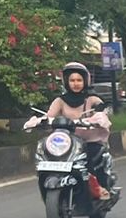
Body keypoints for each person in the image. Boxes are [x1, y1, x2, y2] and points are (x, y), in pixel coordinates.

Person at [27, 61, 114, 201]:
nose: (75, 83)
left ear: (85, 81)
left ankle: (99, 188)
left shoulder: (91, 99)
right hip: (66, 141)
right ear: (66, 82)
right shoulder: (60, 101)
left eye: (79, 80)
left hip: (88, 140)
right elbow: (49, 116)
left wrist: (100, 113)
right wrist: (38, 122)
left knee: (91, 157)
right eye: (72, 80)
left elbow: (103, 109)